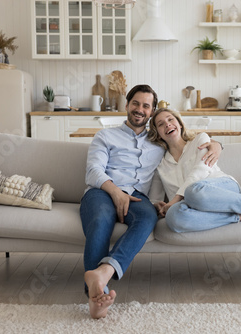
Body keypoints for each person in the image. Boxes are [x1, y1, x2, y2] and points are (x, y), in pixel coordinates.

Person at [80, 85, 223, 319]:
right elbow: (93, 171)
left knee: (148, 218)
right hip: (102, 191)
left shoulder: (158, 141)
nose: (140, 109)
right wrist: (116, 193)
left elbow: (187, 143)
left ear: (152, 111)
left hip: (137, 197)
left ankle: (102, 274)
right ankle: (97, 296)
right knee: (101, 218)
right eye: (135, 103)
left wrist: (217, 144)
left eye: (146, 106)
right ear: (127, 105)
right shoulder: (105, 136)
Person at [147, 108, 241, 233]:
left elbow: (199, 172)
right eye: (161, 124)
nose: (167, 124)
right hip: (193, 205)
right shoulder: (160, 164)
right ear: (158, 134)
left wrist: (176, 199)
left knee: (192, 191)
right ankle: (240, 217)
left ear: (179, 123)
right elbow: (155, 196)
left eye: (171, 119)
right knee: (174, 218)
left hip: (221, 190)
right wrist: (158, 205)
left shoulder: (200, 140)